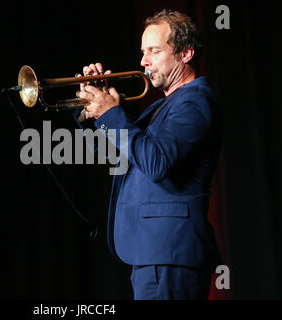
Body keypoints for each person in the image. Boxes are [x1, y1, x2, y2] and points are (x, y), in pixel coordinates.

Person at [74, 9, 222, 300]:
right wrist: (94, 110)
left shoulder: (195, 102)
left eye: (154, 50)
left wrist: (112, 114)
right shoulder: (161, 107)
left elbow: (156, 163)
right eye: (143, 52)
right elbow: (112, 156)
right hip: (152, 252)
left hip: (169, 252)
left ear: (186, 53)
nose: (143, 61)